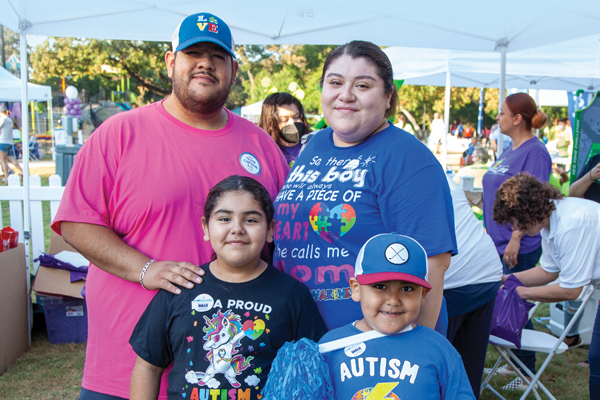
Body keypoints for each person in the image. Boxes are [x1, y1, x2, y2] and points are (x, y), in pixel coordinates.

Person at [51, 13, 290, 400]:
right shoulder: (120, 134)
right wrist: (144, 269)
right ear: (170, 62)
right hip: (123, 365)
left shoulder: (262, 147)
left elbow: (283, 241)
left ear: (233, 69)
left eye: (218, 55)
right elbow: (78, 223)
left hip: (225, 374)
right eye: (193, 52)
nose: (205, 63)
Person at [273, 40, 456, 334]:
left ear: (387, 96)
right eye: (335, 82)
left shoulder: (406, 158)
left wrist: (417, 353)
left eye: (362, 85)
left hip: (373, 348)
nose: (345, 95)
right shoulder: (316, 143)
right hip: (301, 334)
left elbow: (432, 265)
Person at [129, 175, 326, 400]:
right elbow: (147, 367)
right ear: (206, 227)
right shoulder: (180, 287)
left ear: (270, 230)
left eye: (251, 220)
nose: (237, 229)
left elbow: (312, 372)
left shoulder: (293, 296)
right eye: (224, 219)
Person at [318, 233, 474, 400]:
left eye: (407, 289)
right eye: (380, 286)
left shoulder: (439, 350)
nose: (393, 300)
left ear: (423, 294)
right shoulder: (329, 347)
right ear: (356, 289)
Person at [492, 173, 600, 398]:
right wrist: (504, 280)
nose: (514, 227)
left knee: (598, 358)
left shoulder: (570, 224)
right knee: (597, 358)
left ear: (524, 212)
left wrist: (524, 292)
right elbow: (548, 272)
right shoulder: (551, 221)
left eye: (513, 221)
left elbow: (572, 290)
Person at [481, 92, 551, 386]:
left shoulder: (535, 152)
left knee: (516, 301)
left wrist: (516, 237)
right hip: (495, 241)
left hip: (516, 245)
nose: (497, 118)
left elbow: (531, 199)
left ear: (517, 118)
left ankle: (526, 370)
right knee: (506, 300)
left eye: (501, 113)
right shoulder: (510, 148)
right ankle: (513, 364)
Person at [444, 176, 502, 399]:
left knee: (432, 362)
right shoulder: (437, 172)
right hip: (485, 272)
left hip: (454, 277)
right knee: (468, 364)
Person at [258, 92, 310, 165]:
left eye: (296, 117)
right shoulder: (265, 154)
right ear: (271, 123)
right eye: (284, 119)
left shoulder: (312, 144)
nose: (292, 122)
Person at [0, 104, 21, 181]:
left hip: (3, 141)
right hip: (9, 141)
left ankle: (7, 176)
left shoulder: (3, 119)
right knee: (9, 157)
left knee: (2, 160)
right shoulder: (9, 120)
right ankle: (22, 171)